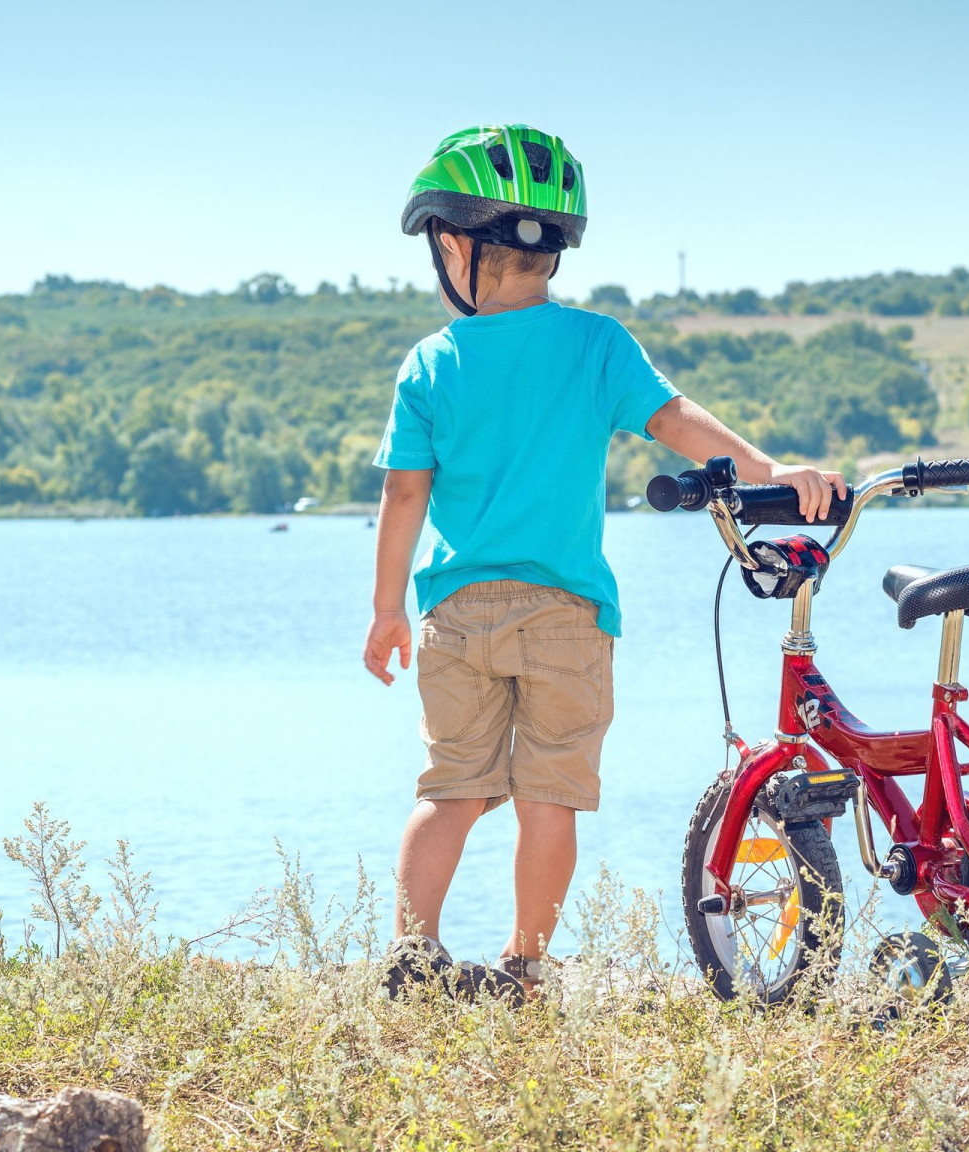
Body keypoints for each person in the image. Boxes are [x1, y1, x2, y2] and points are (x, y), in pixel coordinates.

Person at [363, 125, 846, 1002]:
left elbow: (403, 495)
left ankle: (412, 951)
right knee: (550, 798)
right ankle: (523, 966)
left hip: (457, 614)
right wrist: (768, 470)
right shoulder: (596, 344)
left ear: (459, 245)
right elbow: (674, 419)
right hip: (567, 614)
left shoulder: (431, 362)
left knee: (450, 791)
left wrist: (387, 609)